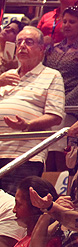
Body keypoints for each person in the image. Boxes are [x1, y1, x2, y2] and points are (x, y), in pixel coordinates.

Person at [0, 26, 64, 194]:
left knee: (15, 209)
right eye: (19, 42)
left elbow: (55, 116)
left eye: (29, 42)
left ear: (42, 49)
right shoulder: (6, 76)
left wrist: (27, 125)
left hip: (25, 155)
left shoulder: (52, 75)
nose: (22, 46)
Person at [44, 6, 78, 112]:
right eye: (64, 22)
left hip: (70, 107)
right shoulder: (53, 48)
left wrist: (60, 104)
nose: (67, 25)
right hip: (46, 101)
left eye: (72, 22)